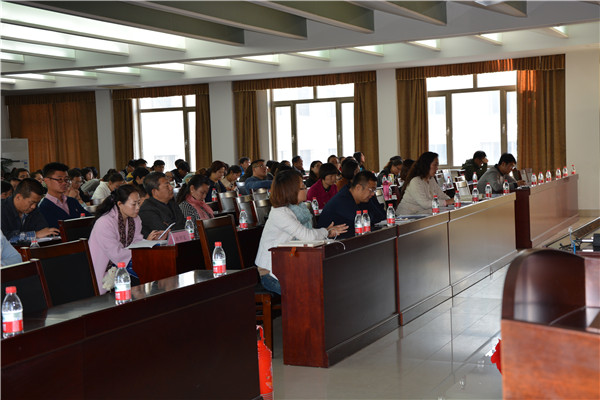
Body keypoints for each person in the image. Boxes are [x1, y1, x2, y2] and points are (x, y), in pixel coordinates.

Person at [255, 169, 347, 294]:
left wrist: (326, 233)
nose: (306, 189)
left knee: (328, 283)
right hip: (271, 273)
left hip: (290, 264)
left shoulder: (300, 208)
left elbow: (307, 234)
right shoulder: (280, 213)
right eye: (303, 187)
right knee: (307, 293)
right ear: (291, 191)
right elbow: (307, 236)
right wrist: (326, 232)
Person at [89, 185, 164, 295]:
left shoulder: (135, 219)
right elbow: (116, 254)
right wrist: (141, 252)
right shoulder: (105, 222)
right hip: (104, 270)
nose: (138, 207)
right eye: (134, 204)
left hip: (124, 266)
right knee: (148, 278)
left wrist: (151, 242)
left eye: (139, 203)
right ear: (120, 204)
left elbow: (136, 242)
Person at [318, 171, 385, 231]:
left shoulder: (364, 197)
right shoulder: (342, 200)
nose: (373, 194)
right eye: (371, 190)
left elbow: (382, 215)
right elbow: (364, 220)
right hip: (331, 239)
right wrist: (372, 215)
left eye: (374, 190)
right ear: (358, 187)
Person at [39, 162, 90, 229]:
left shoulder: (72, 201)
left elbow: (89, 219)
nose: (64, 183)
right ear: (46, 180)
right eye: (60, 180)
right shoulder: (43, 208)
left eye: (66, 179)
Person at [138, 172, 186, 237]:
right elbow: (164, 233)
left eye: (170, 184)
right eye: (167, 186)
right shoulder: (147, 210)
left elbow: (184, 225)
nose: (171, 188)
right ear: (155, 191)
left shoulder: (172, 203)